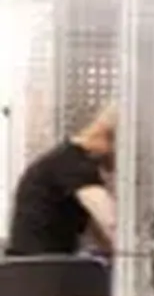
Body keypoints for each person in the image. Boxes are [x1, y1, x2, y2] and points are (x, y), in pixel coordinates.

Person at [6, 106, 116, 258]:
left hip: (30, 267)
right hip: (44, 268)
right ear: (109, 138)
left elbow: (100, 232)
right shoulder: (74, 165)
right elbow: (110, 220)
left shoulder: (64, 161)